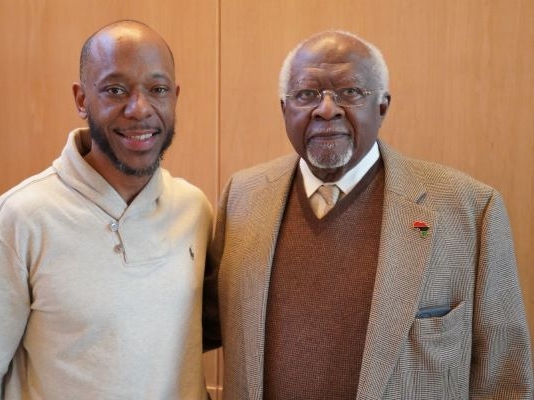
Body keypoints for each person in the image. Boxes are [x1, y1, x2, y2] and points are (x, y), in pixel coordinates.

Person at [203, 30, 533, 399]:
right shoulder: (242, 198)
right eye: (306, 94)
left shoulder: (468, 209)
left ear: (382, 107)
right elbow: (201, 324)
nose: (326, 109)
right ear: (284, 108)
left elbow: (505, 376)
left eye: (350, 92)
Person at [0, 20, 212, 399]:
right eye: (115, 89)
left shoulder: (195, 209)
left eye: (157, 89)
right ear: (81, 99)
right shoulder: (16, 221)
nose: (139, 109)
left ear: (175, 97)